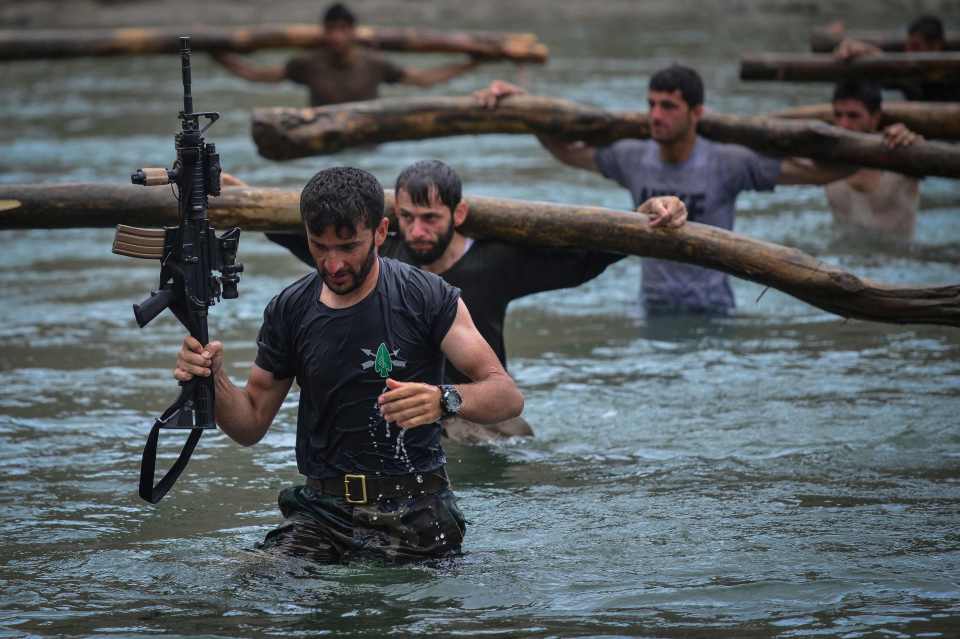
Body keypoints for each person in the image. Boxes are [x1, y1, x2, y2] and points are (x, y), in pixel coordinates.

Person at [174, 166, 523, 563]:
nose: (333, 264)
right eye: (319, 247)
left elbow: (506, 395)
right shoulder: (289, 309)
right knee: (255, 584)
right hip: (320, 513)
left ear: (380, 232)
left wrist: (443, 399)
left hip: (417, 510)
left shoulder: (428, 297)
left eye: (348, 247)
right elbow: (250, 424)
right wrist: (213, 378)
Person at [265, 161, 688, 442]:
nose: (417, 232)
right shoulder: (374, 256)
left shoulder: (494, 263)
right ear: (387, 225)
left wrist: (644, 215)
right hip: (396, 416)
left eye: (431, 219)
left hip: (474, 409)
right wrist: (232, 191)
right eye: (408, 218)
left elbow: (583, 259)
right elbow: (309, 236)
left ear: (459, 215)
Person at [477, 66, 853, 315]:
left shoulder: (729, 162)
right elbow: (568, 152)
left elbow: (812, 174)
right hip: (653, 308)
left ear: (697, 113)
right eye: (652, 104)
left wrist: (882, 143)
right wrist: (525, 106)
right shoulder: (632, 157)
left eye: (669, 106)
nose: (656, 115)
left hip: (714, 312)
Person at [210, 3, 487, 107]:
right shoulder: (309, 64)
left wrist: (472, 63)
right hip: (317, 140)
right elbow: (257, 75)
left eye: (343, 29)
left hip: (366, 142)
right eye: (331, 30)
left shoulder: (374, 63)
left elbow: (424, 79)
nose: (337, 37)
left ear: (353, 32)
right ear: (324, 32)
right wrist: (218, 55)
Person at [826, 79, 922, 241]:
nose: (843, 124)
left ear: (876, 117)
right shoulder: (825, 156)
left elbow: (928, 155)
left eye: (853, 116)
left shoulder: (902, 152)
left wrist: (913, 143)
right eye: (838, 115)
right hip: (839, 261)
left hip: (898, 262)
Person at [834, 15, 959, 102]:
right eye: (908, 46)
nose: (908, 52)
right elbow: (888, 76)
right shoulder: (912, 77)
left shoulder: (954, 78)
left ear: (936, 46)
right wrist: (867, 52)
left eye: (916, 47)